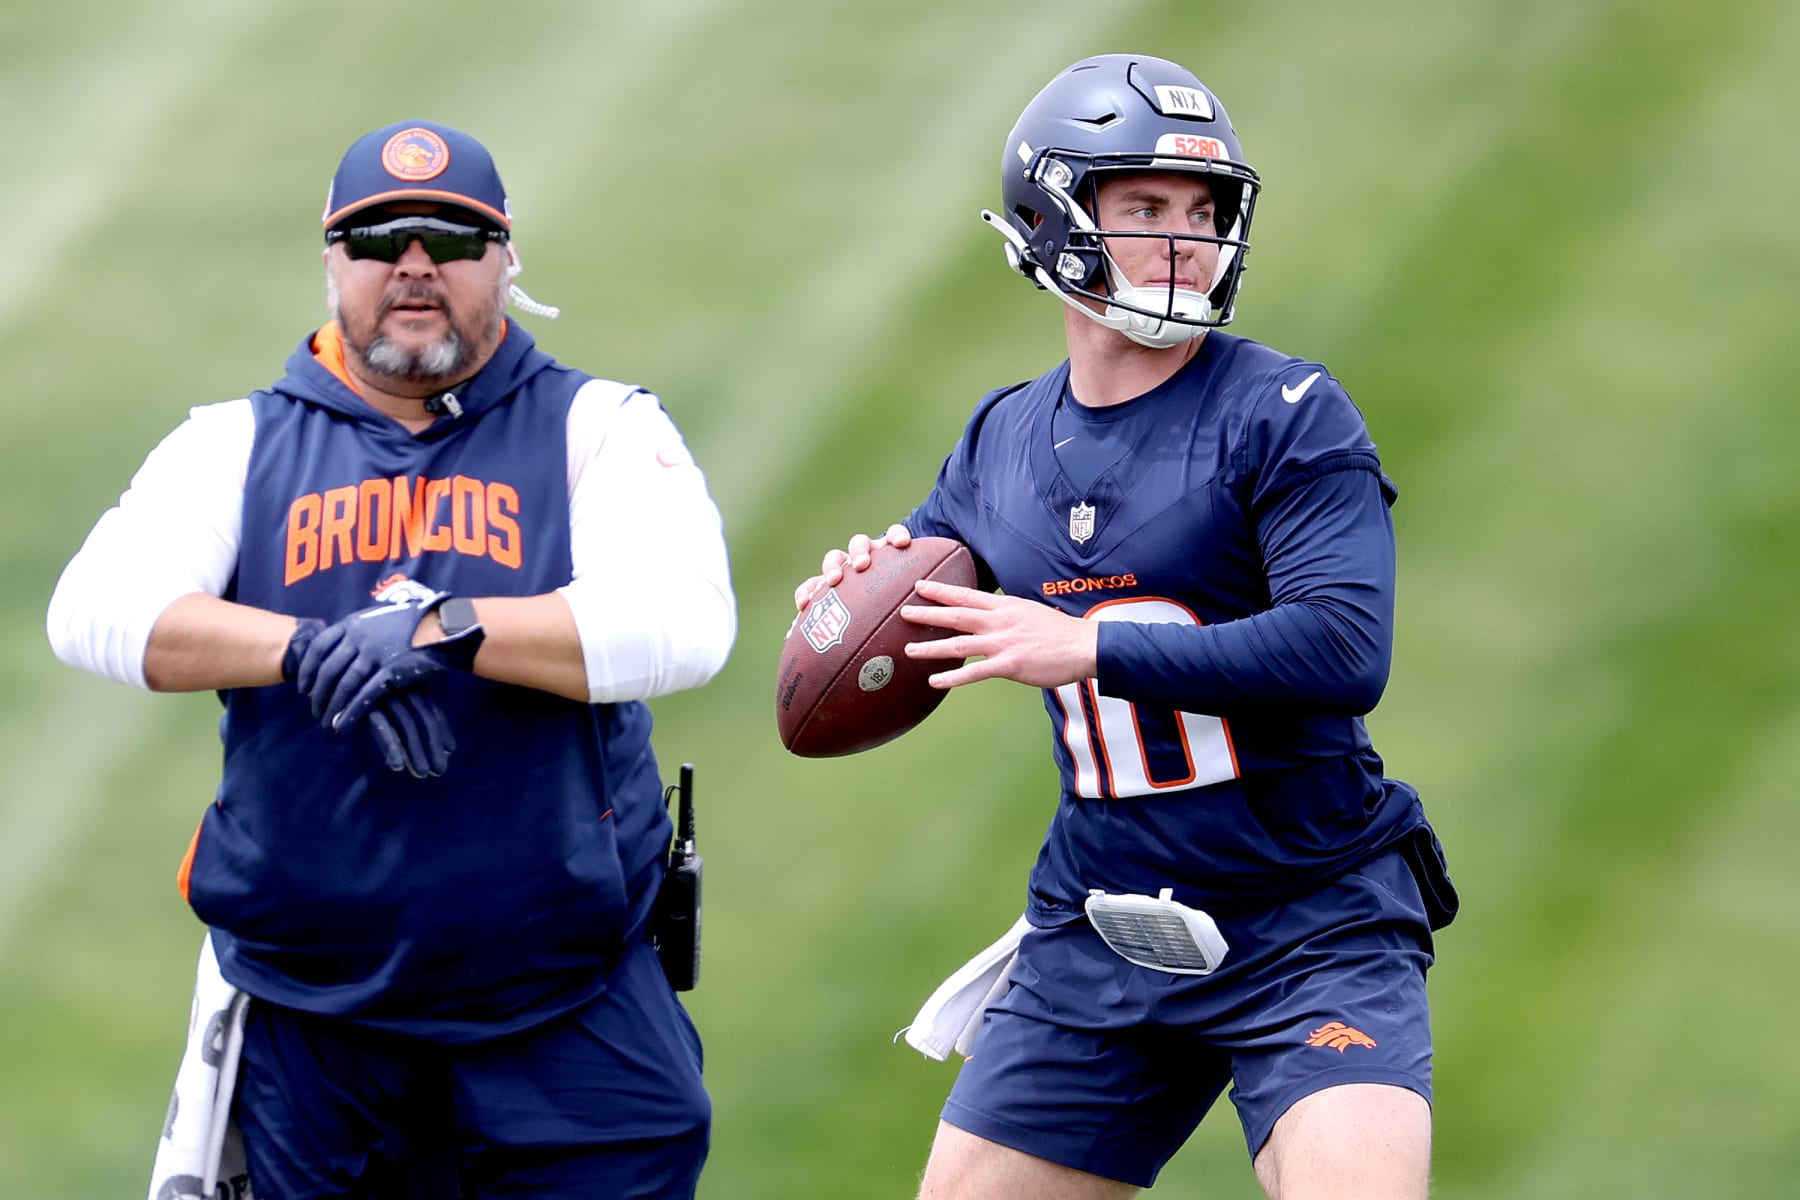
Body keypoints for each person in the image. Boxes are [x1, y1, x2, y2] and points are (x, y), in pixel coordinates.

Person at [795, 56, 1457, 1199]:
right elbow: (916, 602)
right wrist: (852, 593)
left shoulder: (1285, 412)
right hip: (1103, 920)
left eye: (1202, 214)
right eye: (1144, 208)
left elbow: (1348, 650)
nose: (1181, 242)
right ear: (1054, 221)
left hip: (1310, 920)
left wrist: (1089, 645)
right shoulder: (1001, 438)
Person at [47, 119, 735, 1199]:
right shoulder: (236, 442)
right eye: (379, 238)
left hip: (564, 1008)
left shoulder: (598, 428)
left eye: (454, 239)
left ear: (507, 262)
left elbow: (686, 623)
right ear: (331, 262)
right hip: (313, 1024)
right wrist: (308, 649)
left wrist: (441, 631)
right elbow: (94, 610)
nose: (415, 264)